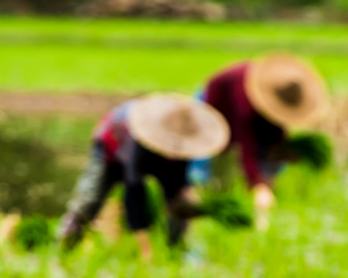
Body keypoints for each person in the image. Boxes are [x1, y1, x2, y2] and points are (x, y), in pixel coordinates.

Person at [59, 93, 229, 260]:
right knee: (90, 200)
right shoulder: (139, 140)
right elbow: (133, 192)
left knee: (179, 202)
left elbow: (178, 184)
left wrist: (190, 204)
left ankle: (177, 249)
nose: (176, 155)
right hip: (111, 147)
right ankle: (64, 247)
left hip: (152, 156)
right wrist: (145, 249)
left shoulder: (183, 146)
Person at [194, 53, 330, 232]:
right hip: (213, 105)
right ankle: (209, 207)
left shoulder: (276, 96)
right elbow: (245, 145)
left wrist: (278, 156)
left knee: (268, 160)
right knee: (213, 168)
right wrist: (258, 185)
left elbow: (275, 131)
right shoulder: (244, 103)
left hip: (247, 115)